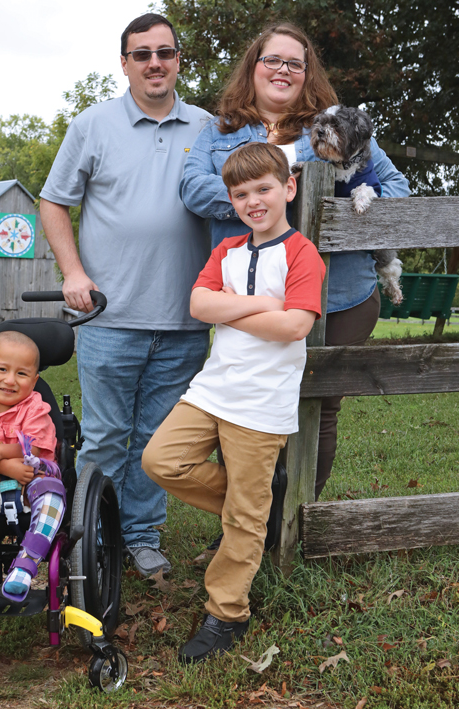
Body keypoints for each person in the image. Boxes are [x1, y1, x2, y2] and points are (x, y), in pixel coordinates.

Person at [179, 22, 410, 499]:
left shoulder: (333, 126)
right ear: (254, 67)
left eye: (295, 63)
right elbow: (191, 188)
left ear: (307, 73)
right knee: (238, 405)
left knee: (318, 409)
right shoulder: (220, 130)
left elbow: (397, 188)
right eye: (272, 60)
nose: (283, 70)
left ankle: (300, 520)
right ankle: (245, 528)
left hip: (338, 293)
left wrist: (333, 205)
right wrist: (264, 196)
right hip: (249, 296)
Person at [39, 13, 212, 576]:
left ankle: (138, 536)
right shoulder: (92, 125)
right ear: (125, 63)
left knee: (155, 441)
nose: (154, 63)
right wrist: (72, 272)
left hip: (186, 317)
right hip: (108, 315)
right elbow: (53, 201)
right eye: (142, 54)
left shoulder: (210, 128)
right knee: (107, 435)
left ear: (179, 59)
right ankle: (88, 537)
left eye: (165, 52)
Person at [142, 142, 325, 663]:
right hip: (213, 389)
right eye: (241, 194)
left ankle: (227, 613)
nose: (253, 201)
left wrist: (232, 311)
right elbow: (199, 303)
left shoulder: (301, 254)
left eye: (263, 188)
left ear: (288, 188)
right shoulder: (227, 252)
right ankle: (258, 508)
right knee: (161, 460)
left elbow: (294, 325)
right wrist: (259, 305)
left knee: (244, 518)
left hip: (262, 404)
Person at [0, 331, 65, 604]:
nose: (10, 380)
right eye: (2, 369)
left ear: (35, 380)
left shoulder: (36, 410)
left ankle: (26, 564)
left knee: (53, 495)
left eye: (22, 374)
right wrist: (4, 466)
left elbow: (34, 448)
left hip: (34, 480)